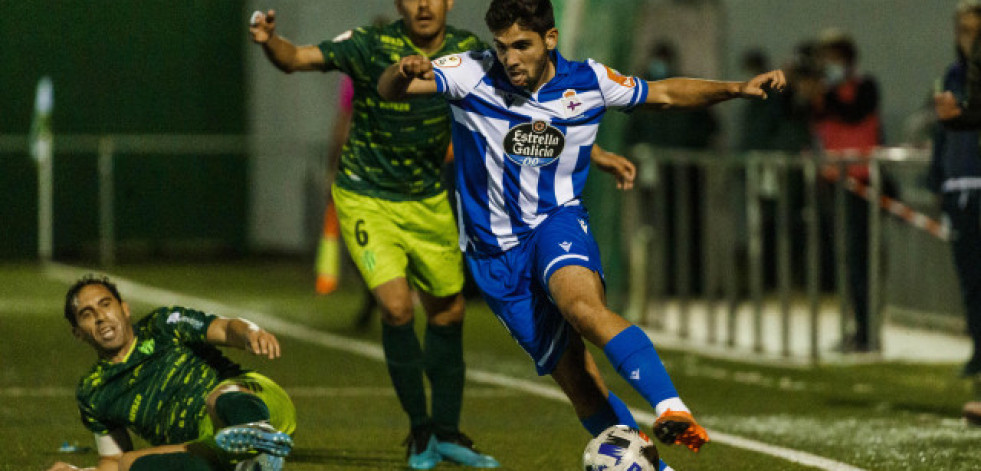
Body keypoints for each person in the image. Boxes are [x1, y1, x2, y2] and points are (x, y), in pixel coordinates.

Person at [378, 0, 786, 468]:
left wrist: (737, 87)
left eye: (522, 45)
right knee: (579, 381)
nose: (510, 58)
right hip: (493, 255)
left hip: (556, 222)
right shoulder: (472, 73)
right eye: (502, 46)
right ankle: (654, 465)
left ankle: (671, 406)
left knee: (581, 307)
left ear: (550, 40)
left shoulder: (589, 81)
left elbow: (666, 93)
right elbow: (392, 90)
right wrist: (402, 68)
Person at [247, 2, 500, 468]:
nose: (423, 4)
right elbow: (295, 59)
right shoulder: (368, 44)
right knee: (398, 307)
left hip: (427, 198)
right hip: (367, 195)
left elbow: (521, 100)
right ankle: (420, 433)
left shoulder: (471, 50)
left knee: (449, 312)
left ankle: (447, 433)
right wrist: (270, 43)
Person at [46, 275, 295, 471]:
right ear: (78, 333)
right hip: (214, 443)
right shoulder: (93, 392)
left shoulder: (164, 325)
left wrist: (250, 333)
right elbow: (112, 461)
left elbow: (226, 328)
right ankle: (248, 461)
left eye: (105, 304)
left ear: (124, 308)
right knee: (127, 464)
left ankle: (260, 435)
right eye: (87, 315)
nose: (100, 317)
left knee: (216, 398)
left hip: (253, 400)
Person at [809, 29, 884, 352]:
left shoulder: (865, 86)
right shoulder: (822, 94)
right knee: (843, 260)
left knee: (861, 260)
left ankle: (868, 332)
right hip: (832, 182)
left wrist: (827, 93)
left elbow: (854, 114)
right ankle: (855, 328)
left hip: (861, 182)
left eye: (833, 58)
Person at [930, 1, 981, 380]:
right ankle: (979, 348)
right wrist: (938, 177)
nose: (969, 38)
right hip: (959, 183)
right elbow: (943, 131)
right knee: (970, 278)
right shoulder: (953, 73)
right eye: (962, 30)